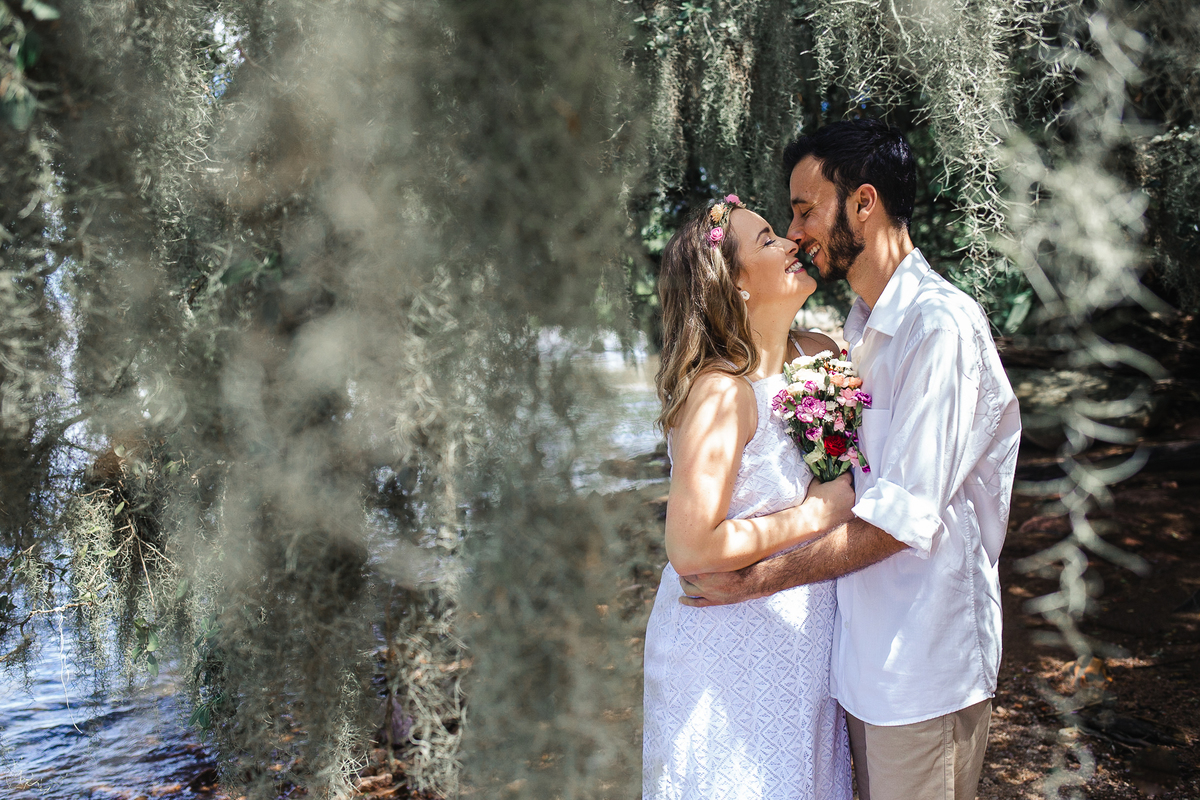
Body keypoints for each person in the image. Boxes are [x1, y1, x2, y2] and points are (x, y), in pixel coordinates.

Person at [678, 118, 1023, 800]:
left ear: (863, 203)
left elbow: (901, 519)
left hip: (922, 667)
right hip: (853, 668)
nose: (796, 229)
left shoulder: (939, 328)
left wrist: (754, 581)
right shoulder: (856, 333)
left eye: (806, 210)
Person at [642, 194, 856, 799]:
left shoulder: (818, 356)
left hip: (803, 633)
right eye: (767, 240)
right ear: (734, 285)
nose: (791, 242)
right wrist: (816, 513)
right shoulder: (719, 393)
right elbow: (691, 547)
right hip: (723, 645)